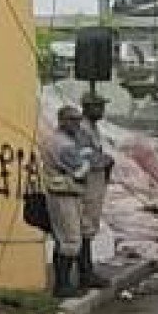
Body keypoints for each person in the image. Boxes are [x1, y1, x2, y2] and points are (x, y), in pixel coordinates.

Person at [44, 105, 108, 298]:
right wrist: (93, 159)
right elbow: (82, 167)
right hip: (62, 195)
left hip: (71, 194)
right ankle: (62, 285)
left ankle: (74, 279)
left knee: (76, 235)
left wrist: (90, 157)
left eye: (78, 120)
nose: (76, 124)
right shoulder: (62, 144)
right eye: (72, 120)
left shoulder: (69, 140)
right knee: (69, 240)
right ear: (61, 120)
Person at [76, 94, 115, 288]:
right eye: (98, 107)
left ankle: (87, 268)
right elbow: (87, 157)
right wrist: (106, 160)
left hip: (96, 180)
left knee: (90, 224)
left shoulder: (93, 128)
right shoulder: (83, 130)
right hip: (89, 181)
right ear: (87, 108)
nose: (101, 111)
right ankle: (85, 271)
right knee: (86, 225)